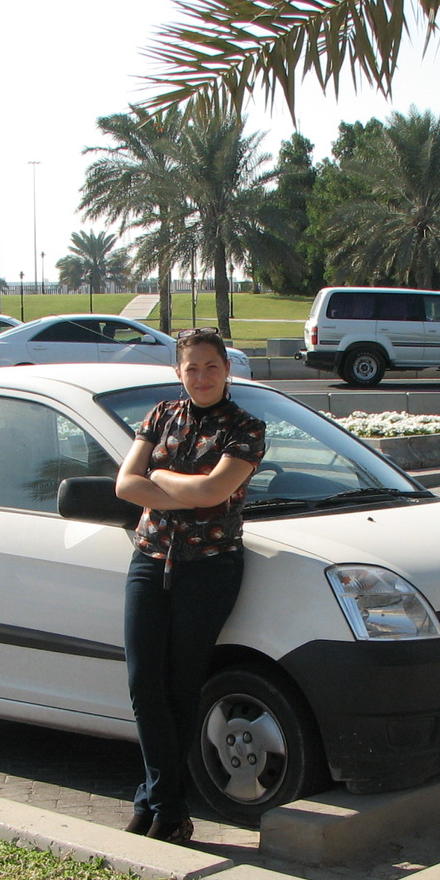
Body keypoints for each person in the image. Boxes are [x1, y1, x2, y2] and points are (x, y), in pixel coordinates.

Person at [114, 328, 266, 843]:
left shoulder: (246, 427)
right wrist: (191, 492)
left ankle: (157, 807)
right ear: (179, 372)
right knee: (142, 683)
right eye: (191, 368)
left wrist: (159, 478)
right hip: (150, 558)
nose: (201, 376)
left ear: (227, 369)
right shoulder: (160, 415)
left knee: (180, 686)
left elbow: (215, 490)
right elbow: (123, 484)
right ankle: (166, 802)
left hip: (209, 567)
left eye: (210, 366)